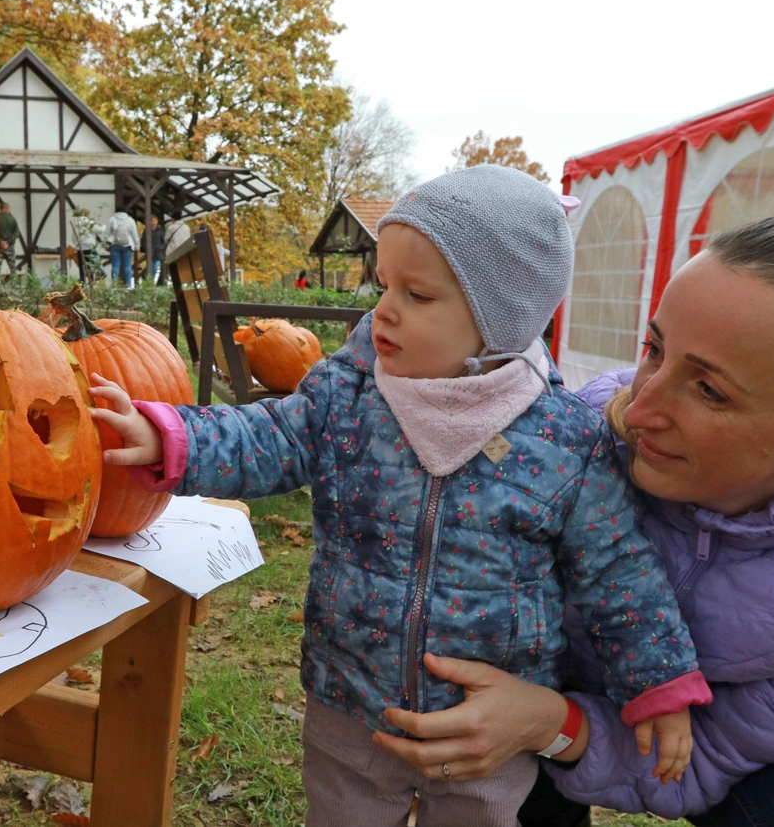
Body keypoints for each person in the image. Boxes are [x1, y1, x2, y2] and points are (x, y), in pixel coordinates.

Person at [88, 166, 713, 827]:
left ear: (498, 321)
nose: (383, 310)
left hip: (483, 728)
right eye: (385, 285)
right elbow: (270, 435)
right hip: (350, 697)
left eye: (418, 294)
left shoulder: (565, 440)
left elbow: (620, 573)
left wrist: (659, 682)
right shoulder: (349, 394)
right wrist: (172, 437)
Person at [374, 210, 774, 827]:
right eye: (655, 349)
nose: (639, 408)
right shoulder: (569, 434)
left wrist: (552, 724)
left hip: (678, 743)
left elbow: (701, 761)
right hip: (510, 686)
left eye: (709, 390)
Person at [104, 209, 140, 288]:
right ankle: (129, 285)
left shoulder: (112, 219)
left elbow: (107, 234)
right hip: (127, 245)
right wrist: (137, 245)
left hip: (114, 245)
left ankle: (114, 285)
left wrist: (106, 245)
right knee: (127, 266)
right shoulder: (130, 220)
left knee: (115, 266)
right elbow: (134, 234)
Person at [0, 200, 22, 277]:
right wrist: (8, 242)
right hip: (10, 247)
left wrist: (0, 242)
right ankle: (15, 285)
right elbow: (17, 232)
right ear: (6, 208)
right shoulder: (12, 219)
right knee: (13, 269)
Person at [143, 213, 168, 285]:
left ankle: (151, 281)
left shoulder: (160, 230)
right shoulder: (146, 230)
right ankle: (148, 282)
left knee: (156, 267)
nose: (153, 222)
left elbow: (163, 241)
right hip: (149, 252)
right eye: (152, 221)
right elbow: (143, 241)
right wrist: (146, 248)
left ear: (157, 221)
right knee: (149, 267)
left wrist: (161, 247)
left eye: (155, 221)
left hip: (158, 252)